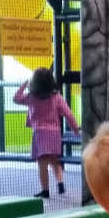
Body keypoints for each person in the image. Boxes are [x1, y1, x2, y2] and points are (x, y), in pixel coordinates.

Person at [14, 67, 80, 198]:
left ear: (34, 83)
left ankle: (45, 190)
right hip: (54, 134)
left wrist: (24, 85)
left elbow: (16, 98)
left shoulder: (31, 97)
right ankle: (60, 183)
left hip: (40, 134)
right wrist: (76, 130)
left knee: (42, 164)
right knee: (54, 160)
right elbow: (68, 114)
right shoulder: (57, 97)